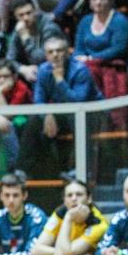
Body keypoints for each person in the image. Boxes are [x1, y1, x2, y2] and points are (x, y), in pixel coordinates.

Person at [16, 36, 100, 177]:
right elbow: (38, 100)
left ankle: (79, 169)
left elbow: (78, 103)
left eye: (59, 50)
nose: (55, 55)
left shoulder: (80, 70)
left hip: (91, 113)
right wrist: (47, 114)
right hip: (62, 112)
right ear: (46, 55)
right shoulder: (43, 70)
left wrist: (60, 80)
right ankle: (23, 170)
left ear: (67, 52)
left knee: (77, 119)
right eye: (50, 52)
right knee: (34, 119)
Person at [73, 0, 128, 131]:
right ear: (89, 2)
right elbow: (78, 48)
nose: (98, 2)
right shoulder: (85, 21)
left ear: (110, 1)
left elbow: (118, 49)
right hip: (89, 66)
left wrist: (91, 58)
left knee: (91, 72)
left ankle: (110, 121)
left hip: (120, 66)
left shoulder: (120, 21)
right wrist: (80, 59)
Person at [6, 0, 65, 85]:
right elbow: (9, 59)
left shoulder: (49, 27)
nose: (26, 18)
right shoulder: (20, 28)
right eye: (21, 15)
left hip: (54, 70)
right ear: (15, 17)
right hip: (32, 73)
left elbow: (40, 60)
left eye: (29, 13)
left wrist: (25, 38)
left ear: (35, 11)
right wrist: (22, 69)